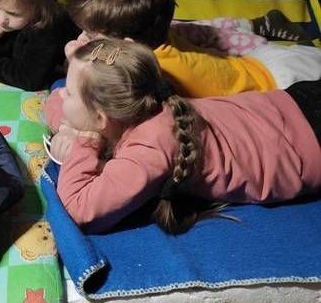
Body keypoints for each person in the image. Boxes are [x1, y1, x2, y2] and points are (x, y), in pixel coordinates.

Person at [47, 38, 321, 234]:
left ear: (100, 119)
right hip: (291, 103)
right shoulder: (149, 99)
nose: (60, 94)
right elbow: (55, 105)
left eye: (69, 93)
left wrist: (83, 144)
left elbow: (78, 211)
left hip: (311, 146)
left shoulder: (148, 152)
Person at [45, 0, 321, 132]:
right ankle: (260, 26)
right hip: (260, 64)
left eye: (91, 36)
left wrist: (76, 62)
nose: (83, 38)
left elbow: (120, 115)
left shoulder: (158, 74)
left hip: (282, 84)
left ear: (127, 44)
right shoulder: (155, 32)